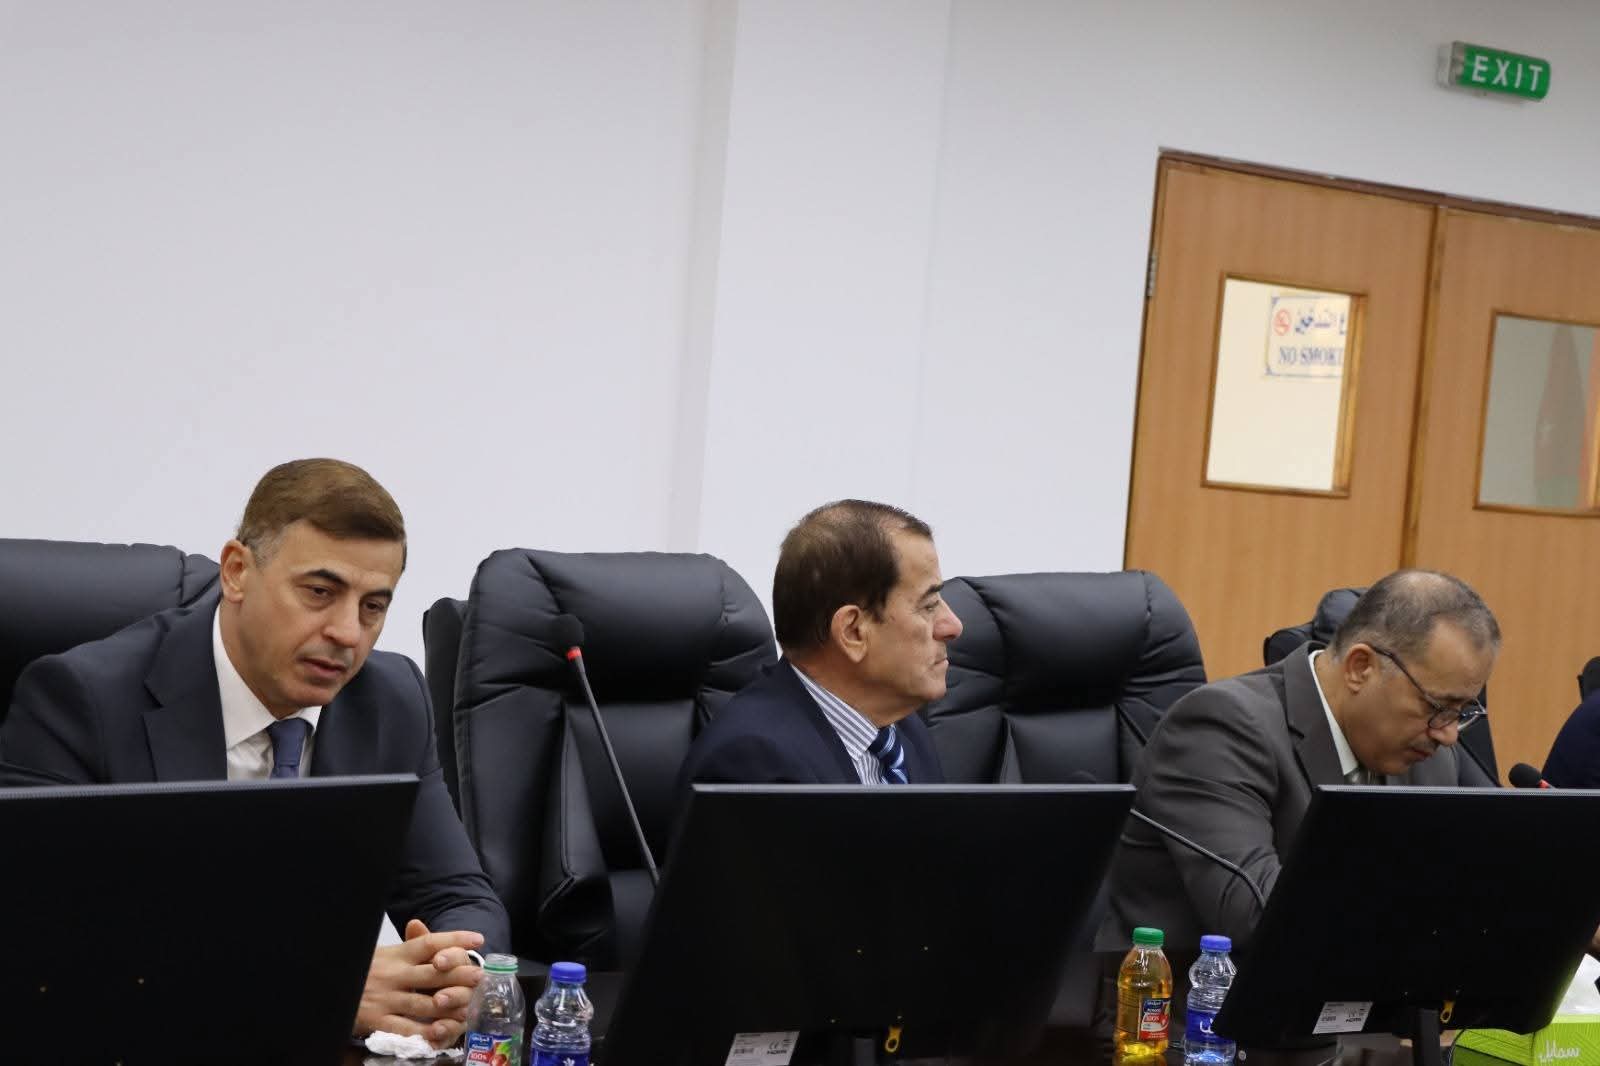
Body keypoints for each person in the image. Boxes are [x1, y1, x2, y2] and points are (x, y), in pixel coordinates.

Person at [0, 458, 510, 1048]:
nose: (348, 633)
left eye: (373, 606)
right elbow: (47, 947)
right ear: (237, 572)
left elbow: (460, 896)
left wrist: (453, 976)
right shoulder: (82, 701)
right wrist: (322, 989)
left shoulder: (390, 700)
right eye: (320, 592)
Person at [1097, 569, 1498, 1060]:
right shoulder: (1221, 727)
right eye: (1438, 706)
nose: (1449, 734)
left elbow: (1469, 892)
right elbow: (1262, 919)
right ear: (1360, 667)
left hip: (1363, 1036)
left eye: (1463, 712)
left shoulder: (1429, 755)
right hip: (1202, 1037)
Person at [678, 499, 961, 787]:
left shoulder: (904, 730)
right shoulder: (754, 764)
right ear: (853, 632)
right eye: (929, 606)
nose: (953, 626)